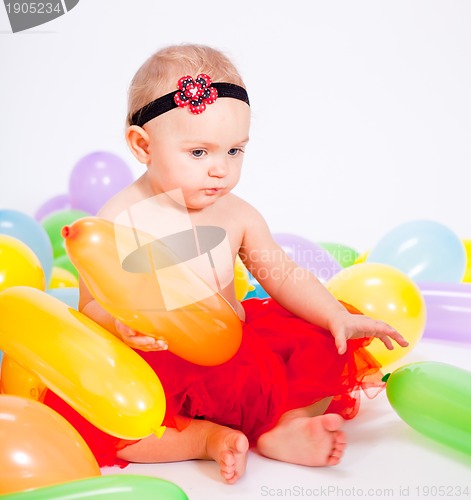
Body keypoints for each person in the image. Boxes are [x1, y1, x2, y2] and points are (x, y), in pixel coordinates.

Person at [43, 44, 408, 484]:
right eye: (199, 153)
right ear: (143, 145)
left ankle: (284, 426)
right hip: (157, 365)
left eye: (235, 151)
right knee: (114, 424)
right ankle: (202, 439)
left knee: (324, 340)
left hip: (238, 358)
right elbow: (92, 307)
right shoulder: (117, 220)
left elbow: (283, 274)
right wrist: (121, 326)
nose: (221, 170)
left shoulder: (236, 213)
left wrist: (334, 314)